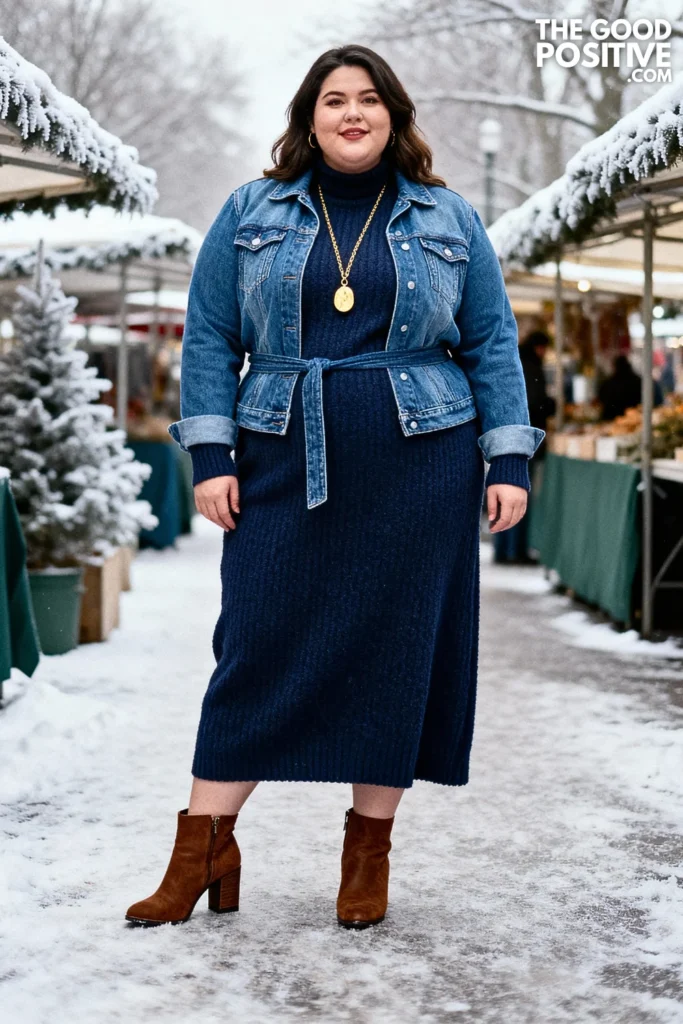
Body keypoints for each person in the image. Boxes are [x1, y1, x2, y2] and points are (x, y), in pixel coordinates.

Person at [125, 44, 544, 931]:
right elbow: (210, 335)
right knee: (254, 645)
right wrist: (212, 455)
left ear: (393, 115)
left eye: (368, 99)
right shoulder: (251, 209)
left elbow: (490, 342)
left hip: (420, 465)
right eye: (333, 100)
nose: (352, 113)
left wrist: (507, 459)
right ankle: (204, 846)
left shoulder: (447, 215)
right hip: (279, 459)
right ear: (308, 119)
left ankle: (367, 852)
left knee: (397, 652)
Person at [492, 330, 555, 564]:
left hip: (505, 436)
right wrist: (551, 404)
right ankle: (514, 550)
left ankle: (503, 549)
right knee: (518, 494)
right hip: (525, 438)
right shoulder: (532, 367)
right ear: (540, 347)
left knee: (505, 490)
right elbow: (536, 403)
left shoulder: (514, 361)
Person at [598, 353, 663, 421]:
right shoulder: (639, 381)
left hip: (611, 419)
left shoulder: (607, 384)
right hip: (637, 419)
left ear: (614, 367)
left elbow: (601, 400)